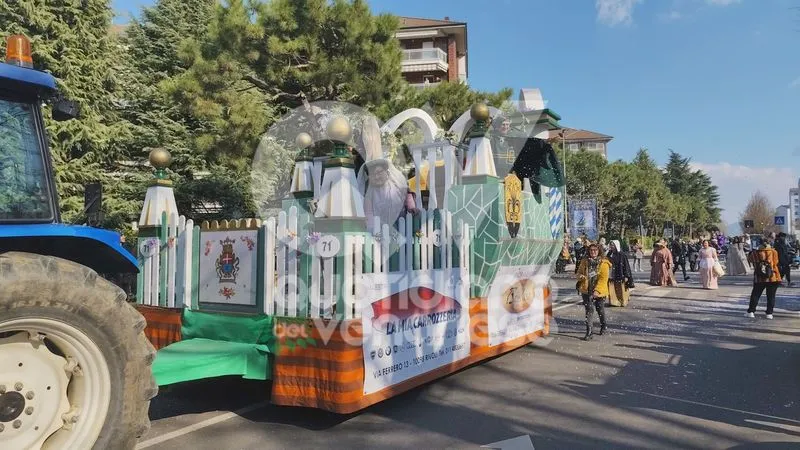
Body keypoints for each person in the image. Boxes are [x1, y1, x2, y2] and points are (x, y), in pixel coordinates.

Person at [576, 243, 611, 340]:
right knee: (589, 311)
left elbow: (603, 279)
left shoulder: (604, 263)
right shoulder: (584, 261)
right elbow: (578, 272)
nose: (593, 252)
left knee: (600, 309)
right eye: (591, 250)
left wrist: (597, 290)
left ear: (599, 250)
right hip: (586, 290)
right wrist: (580, 277)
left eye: (595, 250)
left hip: (599, 291)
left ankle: (603, 325)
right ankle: (589, 332)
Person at [746, 241, 781, 319]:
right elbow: (776, 262)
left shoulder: (754, 253)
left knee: (755, 295)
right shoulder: (773, 252)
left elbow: (750, 261)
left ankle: (751, 312)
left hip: (759, 278)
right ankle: (769, 313)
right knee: (771, 296)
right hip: (772, 277)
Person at [608, 240, 635, 307]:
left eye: (613, 245)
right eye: (611, 245)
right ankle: (614, 302)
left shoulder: (622, 255)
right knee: (612, 289)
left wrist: (626, 275)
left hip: (620, 274)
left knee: (621, 289)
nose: (611, 246)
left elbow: (626, 265)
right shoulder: (609, 254)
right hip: (612, 274)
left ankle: (623, 301)